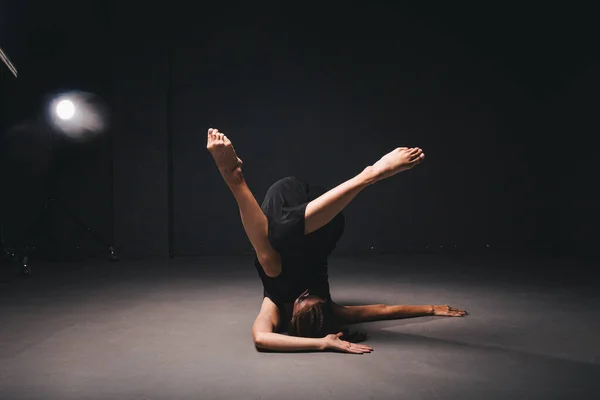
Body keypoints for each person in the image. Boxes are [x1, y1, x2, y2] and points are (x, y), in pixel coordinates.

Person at [206, 128, 466, 354]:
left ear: (294, 310)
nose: (307, 290)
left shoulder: (274, 308)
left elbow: (261, 338)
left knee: (271, 258)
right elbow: (381, 310)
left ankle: (234, 177)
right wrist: (430, 308)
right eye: (314, 296)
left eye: (303, 297)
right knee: (277, 242)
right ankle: (370, 175)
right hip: (325, 224)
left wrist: (323, 344)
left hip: (286, 200)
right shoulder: (329, 310)